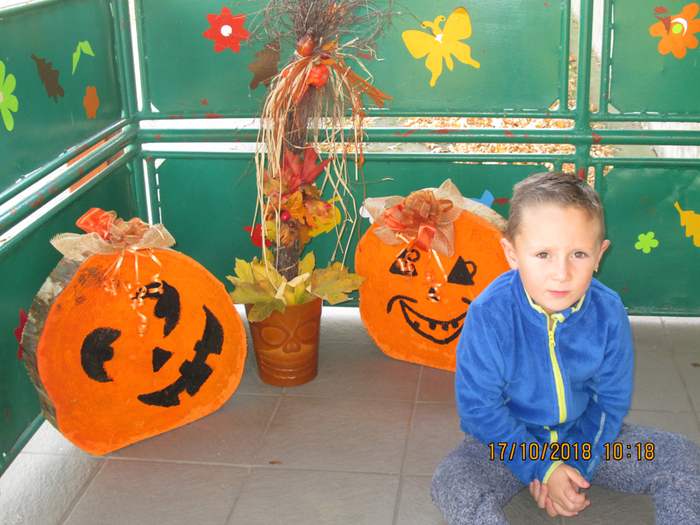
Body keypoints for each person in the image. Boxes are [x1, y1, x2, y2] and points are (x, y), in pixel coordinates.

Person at [431, 171, 700, 524]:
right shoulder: (488, 314)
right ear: (512, 253)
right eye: (543, 254)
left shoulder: (608, 312)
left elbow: (610, 400)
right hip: (505, 446)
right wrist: (542, 468)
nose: (562, 273)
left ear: (599, 254)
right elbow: (478, 409)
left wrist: (571, 468)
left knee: (681, 455)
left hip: (586, 441)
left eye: (579, 254)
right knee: (453, 481)